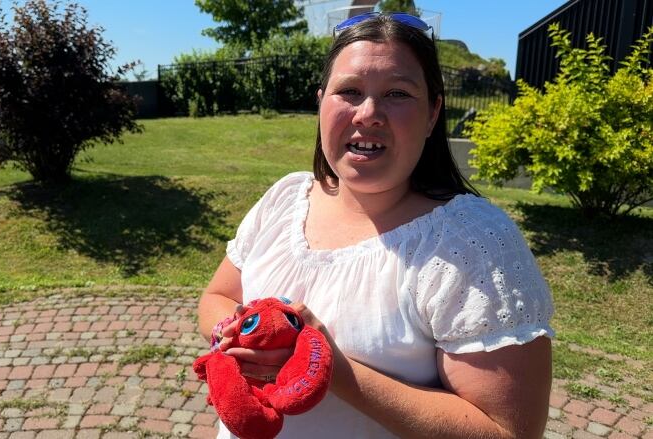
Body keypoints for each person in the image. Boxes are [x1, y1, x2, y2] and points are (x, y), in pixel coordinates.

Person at [197, 12, 554, 439]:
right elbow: (218, 295)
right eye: (348, 91)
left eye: (397, 93)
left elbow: (509, 431)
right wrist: (239, 332)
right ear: (321, 102)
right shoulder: (286, 198)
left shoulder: (472, 244)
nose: (368, 113)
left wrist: (330, 370)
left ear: (433, 112)